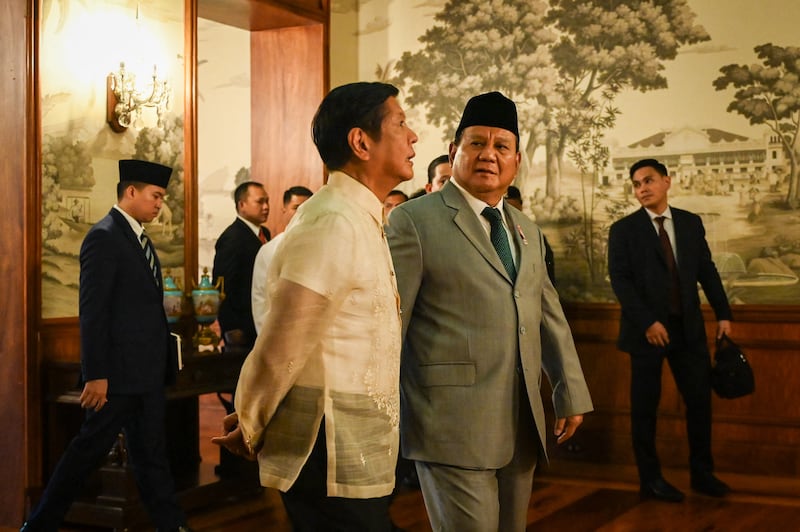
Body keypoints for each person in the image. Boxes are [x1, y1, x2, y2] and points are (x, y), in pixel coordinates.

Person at [212, 81, 418, 531]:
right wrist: (250, 417)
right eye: (401, 123)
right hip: (328, 441)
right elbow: (285, 338)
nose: (413, 136)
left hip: (355, 436)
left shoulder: (359, 215)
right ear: (361, 142)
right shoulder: (331, 220)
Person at [386, 91, 593, 531]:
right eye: (477, 143)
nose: (489, 155)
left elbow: (548, 315)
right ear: (453, 151)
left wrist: (569, 391)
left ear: (516, 160)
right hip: (448, 423)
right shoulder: (414, 221)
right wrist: (378, 413)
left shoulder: (527, 230)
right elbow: (390, 325)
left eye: (502, 146)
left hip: (520, 421)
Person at [22, 160, 190, 532]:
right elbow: (93, 312)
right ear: (131, 192)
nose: (160, 204)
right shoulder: (104, 236)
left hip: (146, 375)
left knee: (152, 457)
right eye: (155, 196)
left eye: (161, 197)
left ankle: (173, 526)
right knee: (85, 455)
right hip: (116, 378)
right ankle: (39, 526)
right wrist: (96, 374)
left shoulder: (138, 237)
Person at [608, 158, 733, 502]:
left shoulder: (690, 223)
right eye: (636, 184)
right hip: (646, 332)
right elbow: (620, 282)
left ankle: (702, 474)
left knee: (699, 403)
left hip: (688, 329)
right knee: (644, 409)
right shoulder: (623, 230)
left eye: (648, 180)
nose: (642, 189)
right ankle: (650, 480)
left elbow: (706, 270)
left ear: (667, 181)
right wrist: (648, 322)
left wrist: (723, 313)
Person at [212, 181, 270, 348]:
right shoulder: (232, 238)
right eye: (260, 202)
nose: (266, 207)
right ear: (242, 205)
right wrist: (231, 327)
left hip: (261, 320)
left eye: (267, 201)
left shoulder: (264, 233)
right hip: (242, 328)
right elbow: (223, 286)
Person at [251, 185, 313, 335]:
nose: (302, 213)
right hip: (279, 331)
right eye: (296, 208)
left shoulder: (323, 246)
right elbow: (261, 299)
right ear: (284, 210)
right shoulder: (270, 250)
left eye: (308, 208)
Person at [505, 185, 555, 284]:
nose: (511, 214)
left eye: (514, 209)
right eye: (506, 210)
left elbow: (547, 272)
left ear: (520, 206)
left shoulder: (534, 234)